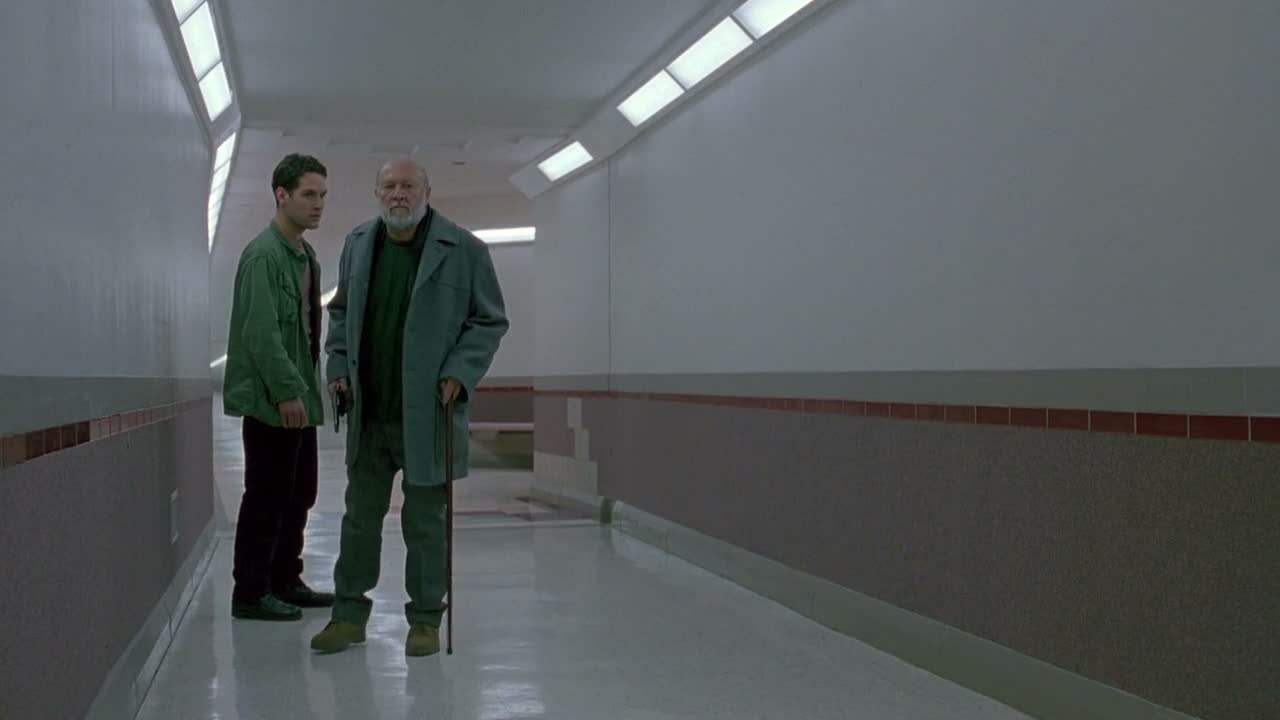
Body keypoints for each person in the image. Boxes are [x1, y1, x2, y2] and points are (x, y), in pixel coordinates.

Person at [310, 158, 508, 657]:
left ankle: (424, 621)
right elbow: (340, 313)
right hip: (370, 414)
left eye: (408, 185)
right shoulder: (358, 244)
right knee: (359, 519)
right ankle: (348, 616)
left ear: (426, 191)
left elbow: (488, 321)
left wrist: (460, 370)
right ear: (377, 192)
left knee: (425, 525)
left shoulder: (464, 249)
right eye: (390, 185)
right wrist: (337, 366)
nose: (399, 194)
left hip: (428, 415)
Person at [222, 153, 336, 621]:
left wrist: (304, 394)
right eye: (308, 194)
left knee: (300, 493)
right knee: (266, 496)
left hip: (300, 400)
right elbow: (261, 334)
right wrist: (287, 391)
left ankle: (285, 579)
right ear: (281, 195)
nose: (318, 204)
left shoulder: (304, 257)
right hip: (273, 402)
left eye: (322, 195)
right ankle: (251, 591)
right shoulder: (264, 256)